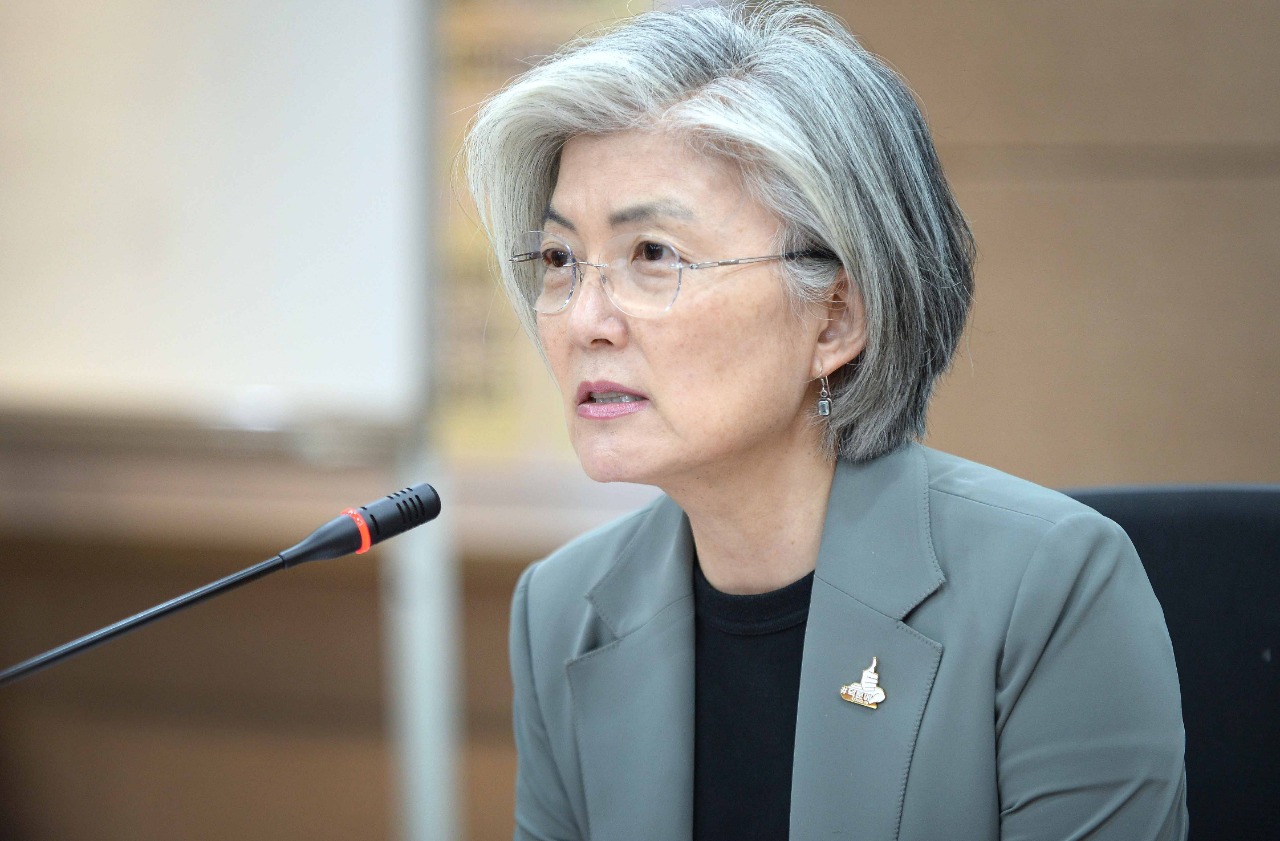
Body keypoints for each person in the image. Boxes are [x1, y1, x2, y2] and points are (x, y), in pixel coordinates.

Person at [464, 2, 1187, 839]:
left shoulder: (1049, 590)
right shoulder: (562, 611)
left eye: (653, 254)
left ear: (836, 316)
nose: (586, 318)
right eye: (560, 258)